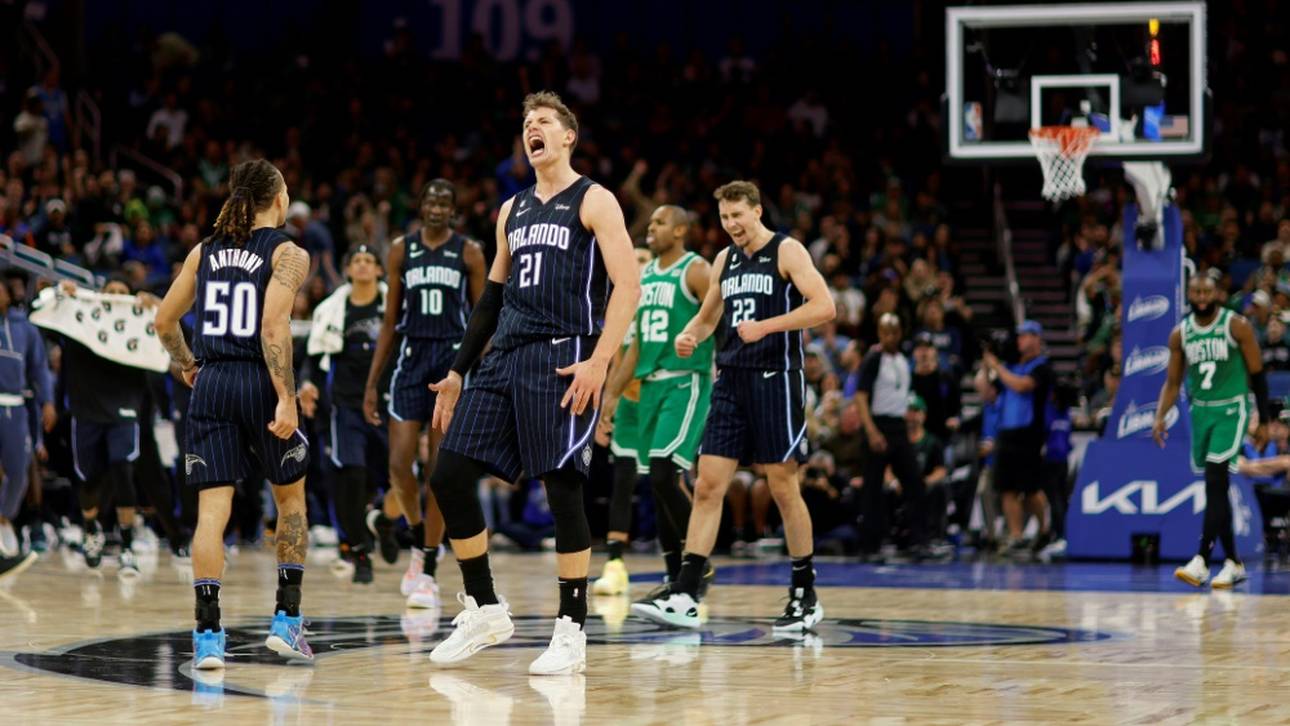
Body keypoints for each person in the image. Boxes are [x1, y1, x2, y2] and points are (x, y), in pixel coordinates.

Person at [423, 92, 639, 675]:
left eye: (543, 122)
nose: (532, 129)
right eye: (525, 124)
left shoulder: (594, 199)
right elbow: (491, 299)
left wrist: (599, 361)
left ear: (569, 136)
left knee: (562, 487)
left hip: (565, 354)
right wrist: (457, 371)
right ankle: (486, 606)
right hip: (505, 356)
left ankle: (571, 627)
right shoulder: (511, 210)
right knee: (448, 474)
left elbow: (628, 286)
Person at [632, 180, 835, 634]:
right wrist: (691, 335)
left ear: (757, 211)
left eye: (737, 215)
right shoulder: (724, 260)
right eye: (724, 218)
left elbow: (824, 307)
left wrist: (768, 327)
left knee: (783, 487)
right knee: (706, 486)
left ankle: (805, 590)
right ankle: (685, 590)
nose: (731, 225)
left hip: (776, 379)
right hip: (730, 380)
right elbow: (708, 317)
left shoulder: (787, 251)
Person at [155, 159, 315, 670]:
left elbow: (164, 320)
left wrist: (187, 366)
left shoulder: (204, 251)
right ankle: (287, 622)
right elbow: (273, 327)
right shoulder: (288, 254)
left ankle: (206, 634)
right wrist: (286, 397)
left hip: (214, 382)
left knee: (211, 514)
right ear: (277, 199)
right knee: (290, 502)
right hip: (259, 383)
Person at [362, 180, 486, 608]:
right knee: (398, 463)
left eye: (445, 202)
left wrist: (482, 374)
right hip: (410, 359)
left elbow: (481, 320)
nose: (436, 207)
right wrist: (372, 382)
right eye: (430, 200)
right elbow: (390, 319)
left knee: (438, 470)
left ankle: (429, 568)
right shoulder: (401, 250)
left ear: (453, 210)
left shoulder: (469, 252)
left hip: (451, 363)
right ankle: (417, 535)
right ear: (421, 205)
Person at [601, 205, 715, 597]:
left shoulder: (697, 270)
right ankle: (676, 579)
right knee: (657, 483)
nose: (651, 228)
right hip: (648, 385)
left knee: (665, 473)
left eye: (660, 223)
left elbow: (721, 315)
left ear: (681, 229)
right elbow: (634, 349)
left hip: (685, 380)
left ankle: (698, 563)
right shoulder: (644, 277)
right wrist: (612, 394)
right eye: (649, 223)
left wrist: (709, 347)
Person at [1156, 275, 1269, 589]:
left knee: (1215, 481)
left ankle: (1202, 560)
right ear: (1189, 294)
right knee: (1215, 488)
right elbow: (1173, 382)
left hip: (1232, 408)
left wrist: (1266, 420)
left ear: (1217, 293)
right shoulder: (1181, 334)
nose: (1201, 297)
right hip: (1201, 412)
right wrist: (1159, 416)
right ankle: (1233, 562)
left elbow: (1258, 374)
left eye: (1206, 291)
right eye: (1196, 291)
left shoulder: (1236, 326)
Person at [300, 245, 390, 585]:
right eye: (357, 261)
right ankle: (359, 549)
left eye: (370, 260)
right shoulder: (332, 310)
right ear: (348, 270)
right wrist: (308, 384)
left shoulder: (393, 306)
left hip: (387, 403)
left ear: (380, 270)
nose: (364, 266)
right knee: (349, 476)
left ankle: (384, 520)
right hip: (345, 405)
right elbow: (313, 357)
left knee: (396, 478)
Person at [59, 277, 150, 576]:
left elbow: (173, 331)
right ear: (99, 296)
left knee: (123, 471)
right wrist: (64, 296)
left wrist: (160, 307)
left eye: (122, 293)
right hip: (86, 411)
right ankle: (90, 528)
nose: (116, 297)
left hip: (123, 409)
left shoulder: (139, 321)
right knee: (89, 480)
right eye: (110, 292)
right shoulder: (82, 320)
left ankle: (126, 547)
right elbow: (46, 324)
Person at [591, 244, 654, 595]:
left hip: (662, 401)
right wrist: (605, 409)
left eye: (644, 259)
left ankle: (692, 556)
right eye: (635, 260)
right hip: (629, 404)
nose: (639, 265)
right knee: (622, 482)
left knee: (666, 483)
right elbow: (614, 362)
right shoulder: (622, 308)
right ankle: (614, 563)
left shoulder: (666, 300)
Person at [854, 314, 927, 558]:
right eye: (885, 332)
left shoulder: (903, 360)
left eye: (894, 332)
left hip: (898, 427)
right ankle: (869, 546)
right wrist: (872, 431)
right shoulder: (873, 359)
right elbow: (861, 397)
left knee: (914, 483)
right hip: (878, 426)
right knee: (872, 488)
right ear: (878, 332)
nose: (890, 337)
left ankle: (917, 541)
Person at [981, 320, 1055, 556]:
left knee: (1030, 489)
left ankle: (1045, 529)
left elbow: (1023, 386)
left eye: (1025, 336)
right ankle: (1016, 536)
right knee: (1007, 489)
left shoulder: (1042, 368)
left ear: (1036, 339)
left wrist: (998, 368)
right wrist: (986, 365)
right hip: (1006, 433)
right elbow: (988, 393)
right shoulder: (1011, 366)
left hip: (1029, 435)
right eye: (1019, 336)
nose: (1020, 340)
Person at [0, 279, 54, 556]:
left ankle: (4, 517)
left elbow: (40, 369)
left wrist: (48, 402)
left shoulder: (26, 329)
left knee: (19, 471)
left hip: (15, 406)